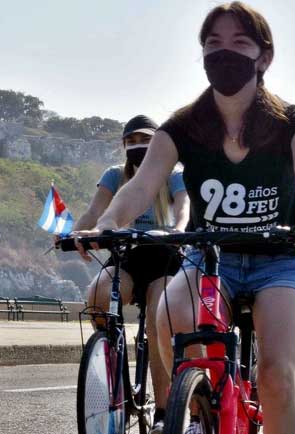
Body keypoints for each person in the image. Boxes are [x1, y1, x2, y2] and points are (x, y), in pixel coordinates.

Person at [74, 3, 295, 433]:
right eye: (213, 44)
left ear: (263, 57)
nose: (223, 52)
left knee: (275, 377)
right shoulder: (182, 126)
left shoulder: (294, 122)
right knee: (171, 321)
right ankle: (197, 411)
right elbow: (139, 186)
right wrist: (106, 223)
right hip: (211, 260)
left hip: (283, 261)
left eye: (239, 43)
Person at [72, 114, 189, 433]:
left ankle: (164, 408)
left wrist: (179, 229)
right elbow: (96, 210)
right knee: (97, 296)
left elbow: (183, 205)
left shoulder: (173, 173)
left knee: (157, 316)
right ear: (123, 145)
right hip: (127, 254)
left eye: (145, 140)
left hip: (165, 255)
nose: (138, 146)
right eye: (132, 141)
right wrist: (77, 233)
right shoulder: (114, 174)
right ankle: (113, 365)